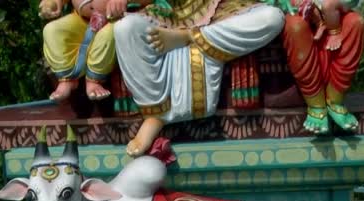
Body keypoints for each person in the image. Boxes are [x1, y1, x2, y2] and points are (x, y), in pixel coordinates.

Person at [113, 0, 285, 156]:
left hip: (222, 11)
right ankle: (155, 113)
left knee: (272, 17)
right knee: (125, 28)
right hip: (166, 14)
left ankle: (189, 37)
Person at [281, 0, 364, 134]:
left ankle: (335, 101)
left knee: (355, 22)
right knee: (296, 27)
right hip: (297, 11)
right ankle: (316, 105)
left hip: (330, 13)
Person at [39, 0, 150, 101]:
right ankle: (66, 79)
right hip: (80, 20)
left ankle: (94, 80)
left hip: (112, 19)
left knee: (109, 34)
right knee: (52, 30)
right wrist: (51, 3)